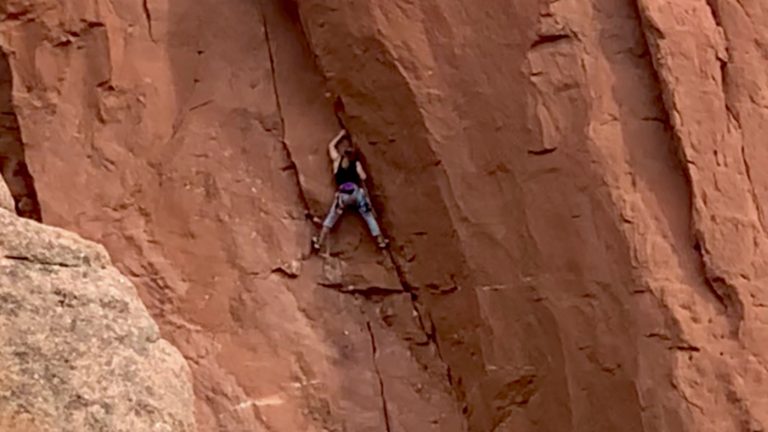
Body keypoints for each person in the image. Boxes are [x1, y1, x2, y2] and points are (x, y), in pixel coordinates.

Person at [312, 129, 388, 250]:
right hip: (356, 193)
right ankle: (381, 241)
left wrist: (340, 135)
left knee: (331, 217)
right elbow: (363, 177)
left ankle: (319, 242)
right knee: (368, 216)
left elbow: (331, 146)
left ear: (344, 153)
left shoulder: (337, 161)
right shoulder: (356, 163)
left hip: (343, 195)